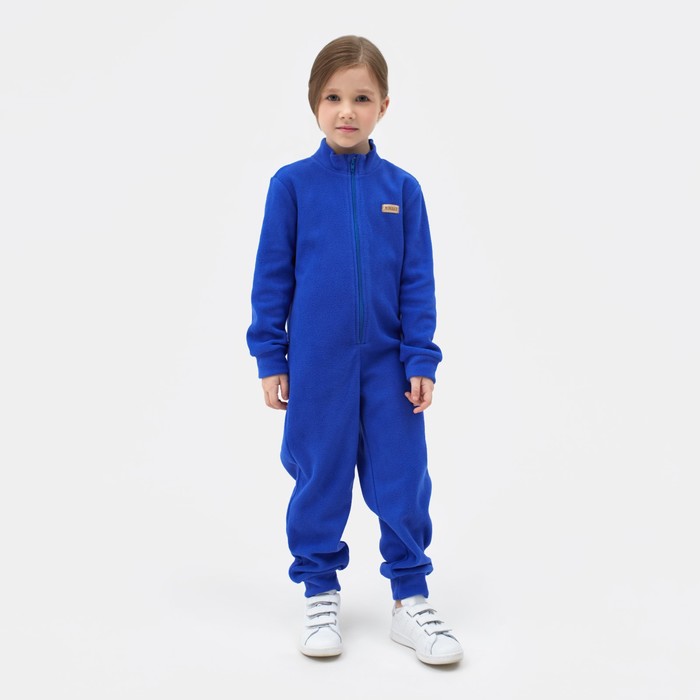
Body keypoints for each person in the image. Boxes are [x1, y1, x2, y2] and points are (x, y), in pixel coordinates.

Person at [246, 35, 463, 666]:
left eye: (362, 98)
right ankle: (319, 592)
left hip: (391, 371)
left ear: (383, 106)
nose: (347, 111)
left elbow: (417, 281)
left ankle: (409, 600)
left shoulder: (402, 189)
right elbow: (272, 278)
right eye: (334, 97)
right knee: (320, 477)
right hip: (318, 369)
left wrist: (421, 357)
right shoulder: (291, 186)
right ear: (314, 103)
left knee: (403, 480)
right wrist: (271, 357)